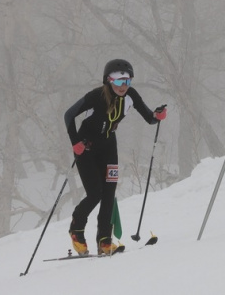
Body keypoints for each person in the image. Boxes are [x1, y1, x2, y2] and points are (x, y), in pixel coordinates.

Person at [64, 58, 167, 256]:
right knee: (95, 193)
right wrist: (75, 141)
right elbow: (69, 115)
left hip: (109, 146)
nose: (123, 86)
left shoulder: (131, 95)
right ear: (109, 81)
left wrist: (158, 116)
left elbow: (149, 118)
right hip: (86, 147)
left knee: (109, 193)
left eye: (127, 81)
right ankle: (76, 229)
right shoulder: (96, 96)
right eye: (119, 82)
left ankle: (104, 240)